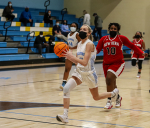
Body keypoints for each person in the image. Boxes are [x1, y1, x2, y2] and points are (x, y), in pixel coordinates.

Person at [56, 24, 119, 123]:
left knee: (96, 97)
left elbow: (85, 62)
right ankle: (65, 116)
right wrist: (69, 57)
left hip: (89, 74)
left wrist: (71, 57)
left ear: (89, 33)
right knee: (66, 89)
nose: (81, 30)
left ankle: (113, 94)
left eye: (84, 29)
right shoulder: (80, 43)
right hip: (79, 72)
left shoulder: (89, 44)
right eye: (80, 29)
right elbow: (78, 62)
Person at [96, 23, 147, 109]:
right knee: (111, 82)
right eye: (111, 28)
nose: (113, 30)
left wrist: (141, 52)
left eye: (115, 29)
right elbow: (97, 49)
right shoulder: (103, 39)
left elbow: (132, 46)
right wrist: (89, 56)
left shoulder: (121, 38)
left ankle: (109, 101)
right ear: (108, 29)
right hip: (106, 64)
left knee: (109, 79)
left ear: (118, 30)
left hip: (118, 63)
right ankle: (118, 98)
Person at [60, 22, 81, 89]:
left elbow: (80, 43)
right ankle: (64, 82)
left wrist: (73, 47)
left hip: (76, 53)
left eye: (74, 26)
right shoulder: (68, 34)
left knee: (79, 69)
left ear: (76, 28)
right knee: (67, 68)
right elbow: (68, 43)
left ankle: (80, 80)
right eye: (72, 26)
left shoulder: (77, 34)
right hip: (69, 52)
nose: (73, 27)